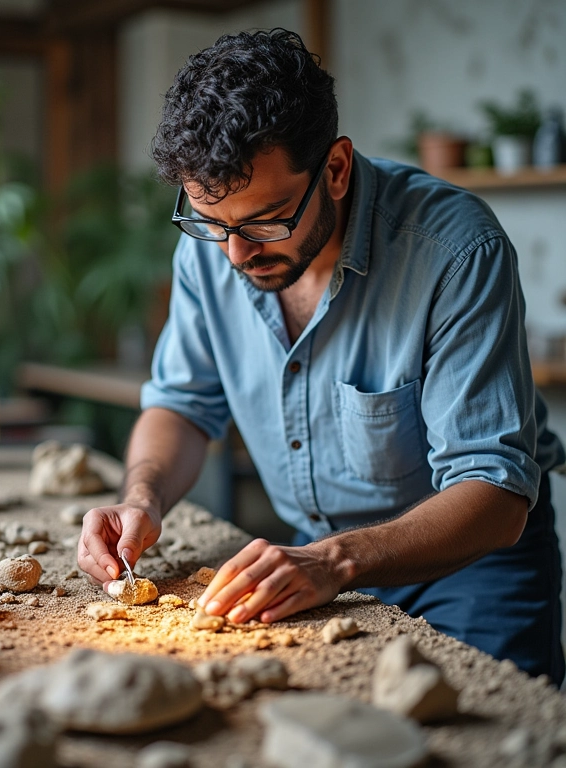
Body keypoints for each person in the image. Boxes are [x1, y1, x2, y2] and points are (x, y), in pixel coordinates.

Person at [77, 28, 565, 684]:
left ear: (335, 169)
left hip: (470, 571)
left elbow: (496, 493)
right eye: (211, 223)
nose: (235, 255)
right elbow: (184, 406)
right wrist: (143, 496)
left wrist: (335, 561)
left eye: (266, 222)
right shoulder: (215, 240)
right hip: (319, 565)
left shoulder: (455, 251)